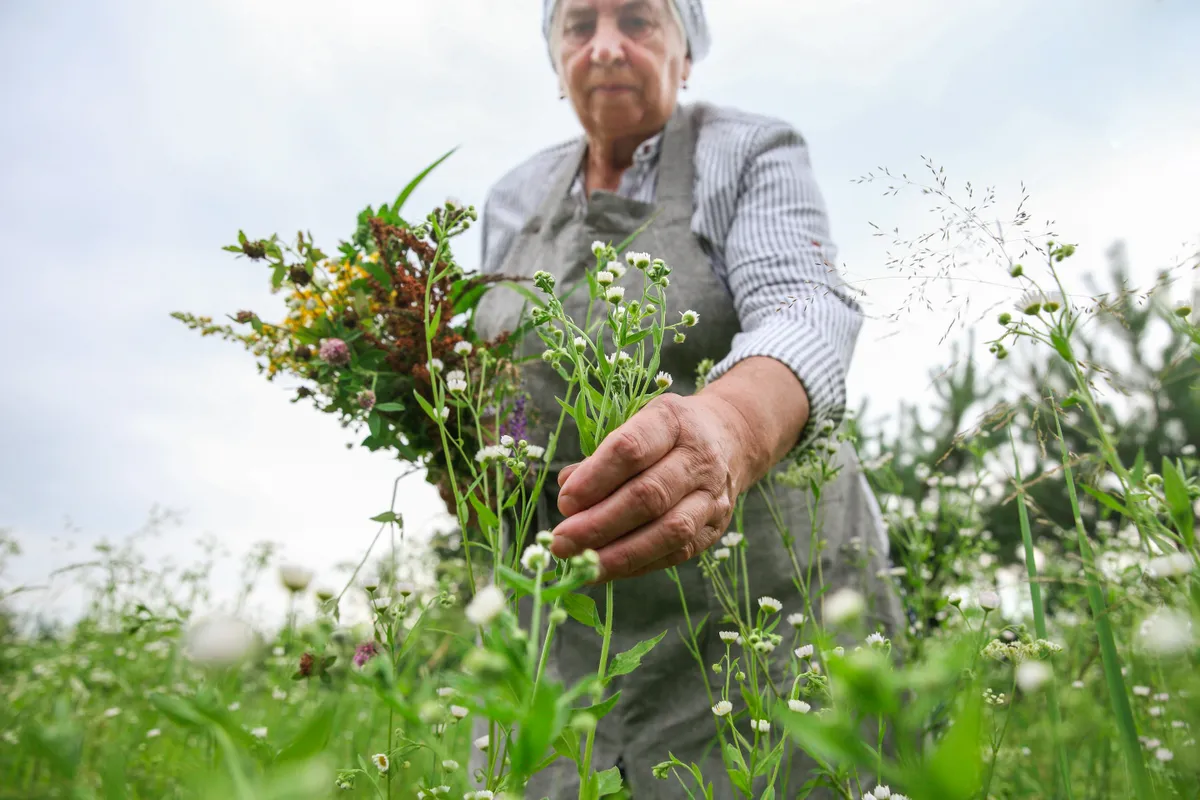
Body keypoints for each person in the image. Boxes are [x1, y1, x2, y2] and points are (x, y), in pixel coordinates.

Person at [470, 1, 901, 796]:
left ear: (686, 52)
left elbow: (803, 303)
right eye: (578, 25)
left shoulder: (747, 148)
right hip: (562, 601)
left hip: (753, 593)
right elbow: (493, 365)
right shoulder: (512, 197)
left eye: (637, 20)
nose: (604, 47)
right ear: (554, 56)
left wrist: (729, 427)